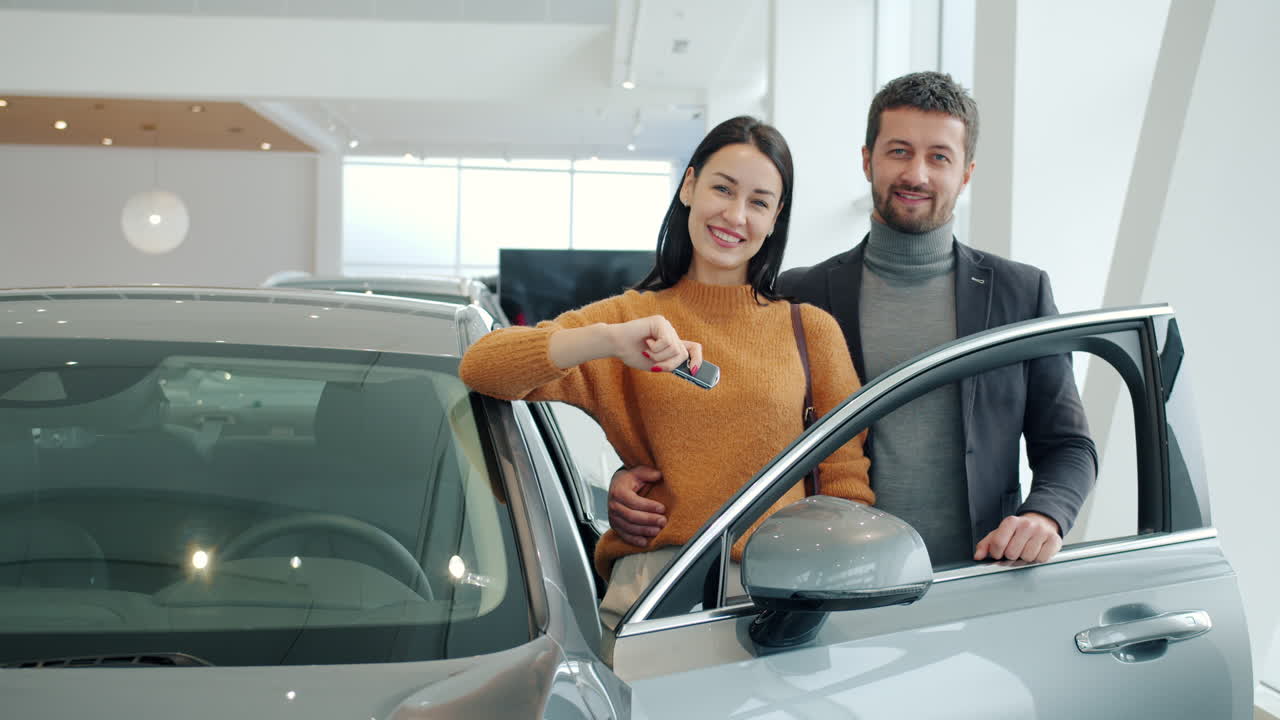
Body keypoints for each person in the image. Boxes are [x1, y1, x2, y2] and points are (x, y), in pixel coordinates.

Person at [608, 72, 1097, 567]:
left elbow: (1068, 443)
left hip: (977, 577)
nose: (917, 175)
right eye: (899, 151)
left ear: (966, 173)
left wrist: (1046, 515)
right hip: (831, 582)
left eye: (939, 158)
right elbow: (728, 419)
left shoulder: (1019, 293)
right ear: (868, 161)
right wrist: (638, 476)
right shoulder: (801, 297)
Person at [459, 116, 872, 628]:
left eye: (759, 202)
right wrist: (609, 340)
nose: (735, 215)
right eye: (722, 189)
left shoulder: (810, 331)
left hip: (784, 597)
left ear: (775, 217)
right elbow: (482, 365)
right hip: (654, 595)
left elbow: (845, 486)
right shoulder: (631, 321)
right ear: (690, 186)